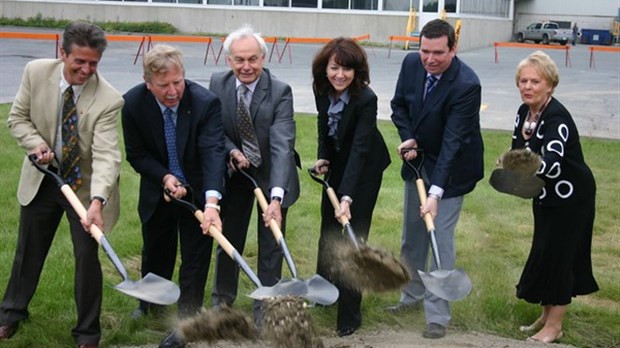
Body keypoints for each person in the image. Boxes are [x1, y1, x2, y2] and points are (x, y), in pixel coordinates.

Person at [0, 22, 123, 347]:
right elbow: (18, 118)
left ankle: (87, 334)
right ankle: (10, 314)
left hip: (84, 188)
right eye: (79, 62)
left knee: (86, 259)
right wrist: (35, 145)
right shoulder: (36, 72)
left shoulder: (109, 99)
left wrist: (97, 201)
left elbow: (107, 155)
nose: (86, 70)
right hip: (45, 178)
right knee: (28, 251)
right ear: (62, 53)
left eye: (93, 63)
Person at [121, 44, 226, 348]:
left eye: (177, 82)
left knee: (194, 258)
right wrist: (165, 177)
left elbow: (213, 153)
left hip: (197, 190)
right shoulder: (133, 103)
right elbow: (137, 154)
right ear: (147, 82)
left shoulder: (205, 103)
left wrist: (210, 203)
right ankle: (150, 303)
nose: (172, 91)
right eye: (163, 85)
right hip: (159, 188)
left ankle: (186, 322)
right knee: (156, 248)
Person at [388, 19, 484, 339]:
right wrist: (409, 137)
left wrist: (435, 193)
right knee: (412, 237)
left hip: (452, 169)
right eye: (424, 51)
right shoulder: (411, 64)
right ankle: (411, 296)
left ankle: (438, 315)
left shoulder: (466, 85)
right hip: (418, 162)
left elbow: (453, 143)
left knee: (438, 238)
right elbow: (399, 106)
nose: (429, 59)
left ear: (453, 49)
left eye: (438, 53)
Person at [208, 24, 299, 324]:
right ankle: (222, 305)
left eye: (253, 59)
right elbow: (213, 130)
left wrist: (276, 198)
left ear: (263, 58)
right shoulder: (218, 84)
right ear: (229, 60)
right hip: (236, 176)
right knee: (228, 241)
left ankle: (266, 310)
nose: (246, 67)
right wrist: (232, 150)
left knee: (271, 246)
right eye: (239, 60)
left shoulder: (279, 91)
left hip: (272, 175)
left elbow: (282, 145)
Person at [508, 50, 598, 343]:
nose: (527, 86)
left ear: (550, 84)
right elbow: (518, 152)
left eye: (535, 81)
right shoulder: (525, 112)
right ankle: (546, 316)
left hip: (572, 197)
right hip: (546, 193)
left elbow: (553, 161)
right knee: (545, 251)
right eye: (523, 80)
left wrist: (525, 172)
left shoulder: (556, 116)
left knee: (561, 256)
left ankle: (555, 326)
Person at [311, 37, 391, 337]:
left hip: (365, 168)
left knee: (352, 234)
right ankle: (325, 292)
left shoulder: (366, 99)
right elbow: (323, 125)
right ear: (325, 68)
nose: (340, 75)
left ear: (357, 72)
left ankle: (350, 313)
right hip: (338, 162)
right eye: (335, 68)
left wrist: (347, 197)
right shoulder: (322, 88)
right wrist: (323, 156)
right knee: (328, 230)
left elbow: (359, 149)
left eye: (347, 69)